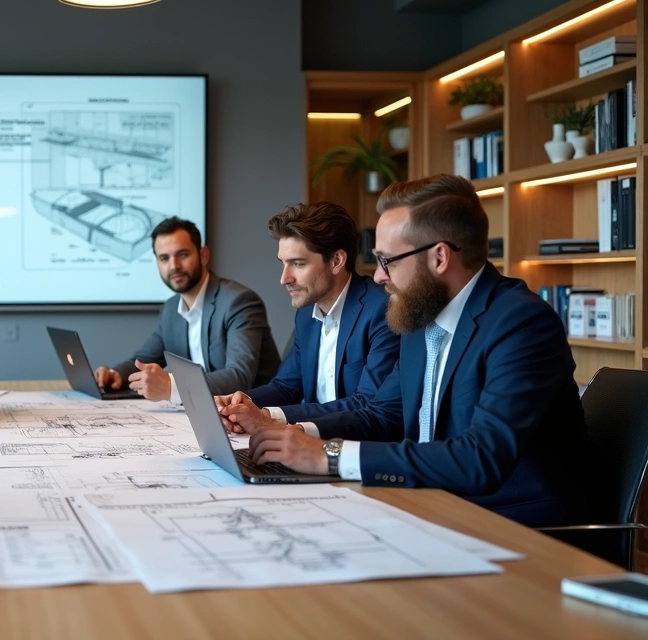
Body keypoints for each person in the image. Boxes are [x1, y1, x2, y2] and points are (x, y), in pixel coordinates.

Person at [242, 174, 580, 526]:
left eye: (387, 260)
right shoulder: (420, 315)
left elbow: (481, 458)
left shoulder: (521, 322)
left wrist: (329, 456)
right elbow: (380, 415)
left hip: (513, 522)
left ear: (439, 258)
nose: (378, 277)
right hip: (427, 502)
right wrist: (298, 436)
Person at [215, 202, 399, 428]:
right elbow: (285, 387)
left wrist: (267, 417)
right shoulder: (305, 314)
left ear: (336, 261)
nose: (284, 279)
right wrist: (238, 403)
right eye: (283, 264)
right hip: (305, 439)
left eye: (298, 264)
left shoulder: (382, 310)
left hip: (353, 444)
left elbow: (366, 403)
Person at [94, 217, 281, 402]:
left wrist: (171, 386)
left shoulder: (238, 302)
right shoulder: (170, 309)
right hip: (204, 411)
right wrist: (115, 374)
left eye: (182, 255)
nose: (174, 266)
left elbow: (239, 376)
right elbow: (143, 360)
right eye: (164, 258)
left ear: (203, 256)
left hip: (256, 412)